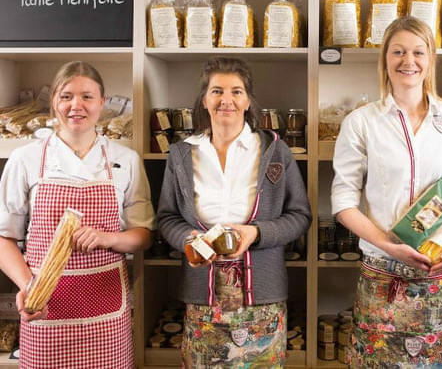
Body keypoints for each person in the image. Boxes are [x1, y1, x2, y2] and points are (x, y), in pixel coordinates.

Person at [331, 16, 442, 367]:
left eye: (418, 52)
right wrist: (390, 245)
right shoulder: (361, 122)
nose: (409, 61)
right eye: (398, 51)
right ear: (385, 59)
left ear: (430, 59)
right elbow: (343, 202)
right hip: (384, 275)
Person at [157, 57, 311, 368]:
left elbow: (299, 215)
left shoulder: (274, 150)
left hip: (262, 297)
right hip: (203, 296)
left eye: (236, 91)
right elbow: (167, 217)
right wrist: (190, 239)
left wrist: (256, 233)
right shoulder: (181, 154)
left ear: (248, 101)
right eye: (217, 91)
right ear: (204, 99)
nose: (226, 100)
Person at [0, 61, 154, 368]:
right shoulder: (26, 159)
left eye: (87, 96)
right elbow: (4, 237)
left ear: (102, 101)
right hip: (45, 307)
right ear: (55, 101)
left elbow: (143, 235)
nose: (76, 105)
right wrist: (29, 288)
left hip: (106, 311)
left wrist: (106, 238)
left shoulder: (125, 160)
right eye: (66, 96)